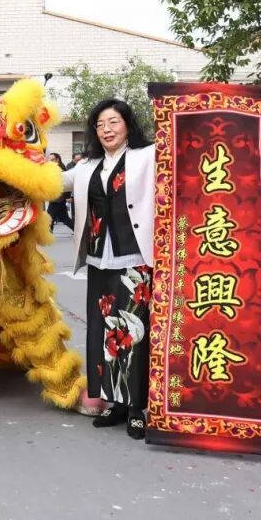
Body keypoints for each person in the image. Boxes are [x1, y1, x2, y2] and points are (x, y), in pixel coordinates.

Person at [60, 99, 155, 440]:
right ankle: (115, 403)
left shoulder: (148, 157)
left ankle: (137, 407)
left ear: (128, 125)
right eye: (100, 124)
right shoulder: (87, 166)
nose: (107, 129)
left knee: (133, 330)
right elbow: (53, 182)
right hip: (99, 258)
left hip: (136, 257)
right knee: (104, 331)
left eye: (113, 122)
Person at [45, 153, 74, 232]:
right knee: (64, 218)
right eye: (49, 160)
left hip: (57, 199)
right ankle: (80, 232)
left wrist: (68, 196)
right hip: (57, 198)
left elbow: (66, 184)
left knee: (49, 218)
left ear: (57, 160)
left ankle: (48, 235)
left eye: (52, 160)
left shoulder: (60, 169)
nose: (50, 162)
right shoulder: (54, 169)